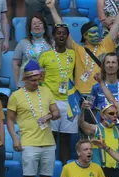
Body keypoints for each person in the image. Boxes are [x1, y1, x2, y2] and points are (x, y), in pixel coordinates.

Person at [46, 0, 119, 96]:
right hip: (81, 95)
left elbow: (117, 24)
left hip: (101, 93)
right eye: (93, 32)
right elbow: (62, 27)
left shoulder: (106, 45)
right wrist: (52, 8)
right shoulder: (77, 49)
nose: (96, 35)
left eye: (97, 32)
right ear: (85, 36)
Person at [6, 60, 60, 177]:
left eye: (38, 80)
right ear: (25, 79)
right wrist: (15, 140)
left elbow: (57, 113)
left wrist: (49, 116)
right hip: (29, 143)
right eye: (33, 80)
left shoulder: (46, 91)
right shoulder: (16, 95)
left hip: (48, 142)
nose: (36, 83)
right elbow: (10, 120)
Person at [38, 23, 76, 164]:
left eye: (64, 33)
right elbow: (39, 80)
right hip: (51, 101)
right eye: (58, 33)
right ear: (54, 35)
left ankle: (64, 168)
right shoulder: (45, 56)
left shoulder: (73, 54)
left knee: (66, 139)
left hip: (69, 101)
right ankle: (51, 166)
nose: (61, 36)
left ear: (67, 36)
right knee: (51, 137)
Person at [12, 16, 51, 87]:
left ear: (44, 27)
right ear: (30, 28)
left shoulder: (51, 44)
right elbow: (15, 64)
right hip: (26, 84)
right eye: (34, 23)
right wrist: (17, 84)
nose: (37, 25)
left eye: (40, 23)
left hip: (45, 84)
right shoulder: (22, 43)